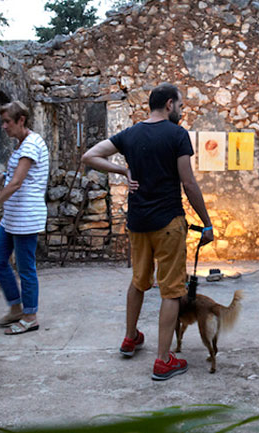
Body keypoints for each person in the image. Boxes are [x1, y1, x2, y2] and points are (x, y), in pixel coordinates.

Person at [82, 83, 213, 381]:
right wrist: (206, 222)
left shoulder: (130, 134)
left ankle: (130, 338)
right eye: (180, 104)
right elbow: (189, 183)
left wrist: (123, 171)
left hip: (138, 223)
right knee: (171, 290)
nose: (181, 110)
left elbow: (89, 156)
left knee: (139, 281)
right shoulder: (177, 135)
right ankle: (163, 359)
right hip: (168, 223)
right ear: (169, 104)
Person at [0, 101, 49, 335]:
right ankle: (16, 308)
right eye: (2, 121)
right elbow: (21, 171)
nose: (4, 126)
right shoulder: (23, 143)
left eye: (7, 121)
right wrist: (3, 173)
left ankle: (30, 316)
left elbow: (17, 183)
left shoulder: (31, 144)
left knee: (26, 268)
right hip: (14, 217)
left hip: (26, 216)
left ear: (21, 120)